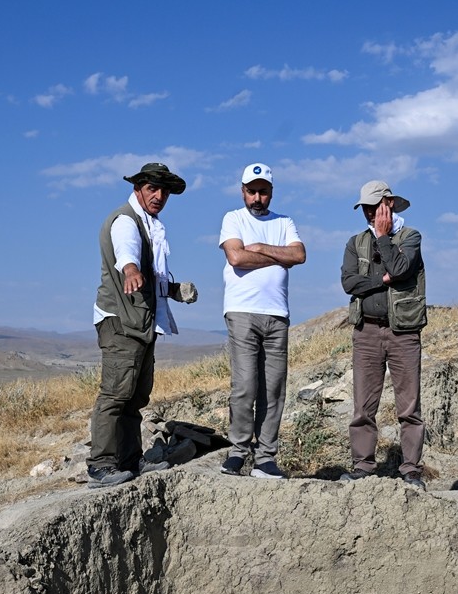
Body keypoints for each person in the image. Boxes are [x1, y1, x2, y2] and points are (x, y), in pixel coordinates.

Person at [88, 162, 196, 488]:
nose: (159, 195)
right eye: (152, 188)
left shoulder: (150, 224)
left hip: (140, 323)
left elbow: (151, 276)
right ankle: (101, 466)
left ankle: (130, 460)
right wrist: (131, 269)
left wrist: (175, 291)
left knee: (135, 397)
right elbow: (126, 252)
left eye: (164, 190)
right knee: (116, 395)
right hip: (121, 322)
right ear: (138, 188)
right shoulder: (126, 221)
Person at [218, 163, 306, 479]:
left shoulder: (285, 221)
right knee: (244, 385)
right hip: (242, 310)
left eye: (263, 191)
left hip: (277, 314)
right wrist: (276, 255)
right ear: (243, 191)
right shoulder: (233, 219)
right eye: (252, 191)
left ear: (271, 192)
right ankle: (239, 451)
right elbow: (236, 258)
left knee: (274, 387)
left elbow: (299, 255)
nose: (257, 197)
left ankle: (266, 457)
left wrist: (258, 248)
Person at [339, 180, 428, 489]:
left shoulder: (410, 236)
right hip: (366, 332)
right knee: (363, 406)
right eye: (364, 208)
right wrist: (384, 279)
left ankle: (411, 469)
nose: (368, 213)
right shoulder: (355, 242)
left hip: (403, 332)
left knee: (409, 407)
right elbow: (350, 284)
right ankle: (363, 466)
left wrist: (383, 237)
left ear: (388, 204)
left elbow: (402, 267)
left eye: (373, 207)